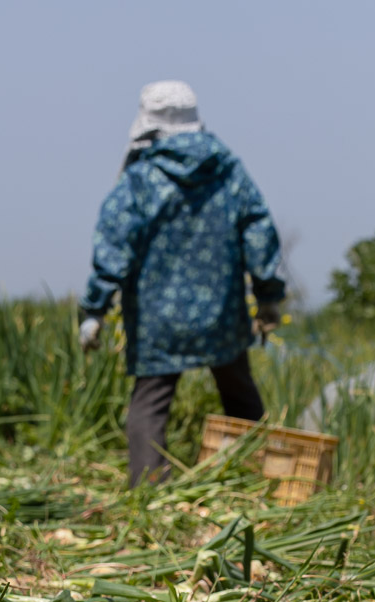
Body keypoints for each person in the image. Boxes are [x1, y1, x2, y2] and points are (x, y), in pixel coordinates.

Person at [79, 81, 285, 487]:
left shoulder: (141, 178)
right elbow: (259, 233)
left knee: (150, 406)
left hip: (159, 320)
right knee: (240, 395)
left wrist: (94, 312)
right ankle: (259, 479)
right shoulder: (229, 170)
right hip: (221, 313)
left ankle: (149, 498)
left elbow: (113, 245)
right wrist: (268, 298)